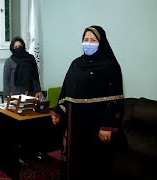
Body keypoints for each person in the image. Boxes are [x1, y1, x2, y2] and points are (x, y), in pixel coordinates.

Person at [51, 25, 126, 180]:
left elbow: (115, 100)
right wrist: (58, 111)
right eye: (86, 39)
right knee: (74, 161)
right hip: (75, 125)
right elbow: (66, 91)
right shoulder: (76, 64)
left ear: (101, 42)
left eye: (93, 40)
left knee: (93, 164)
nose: (88, 43)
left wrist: (107, 126)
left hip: (96, 126)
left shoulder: (110, 66)